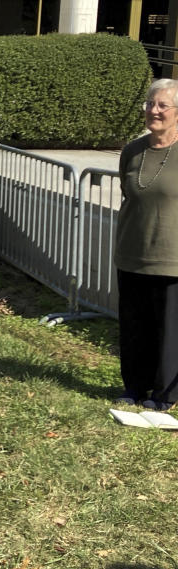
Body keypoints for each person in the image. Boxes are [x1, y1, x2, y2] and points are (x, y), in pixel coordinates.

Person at [114, 78, 178, 411]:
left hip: (172, 258)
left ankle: (165, 395)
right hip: (132, 253)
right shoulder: (133, 151)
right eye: (150, 104)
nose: (154, 111)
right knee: (135, 326)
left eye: (162, 106)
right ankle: (134, 388)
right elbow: (130, 195)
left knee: (170, 331)